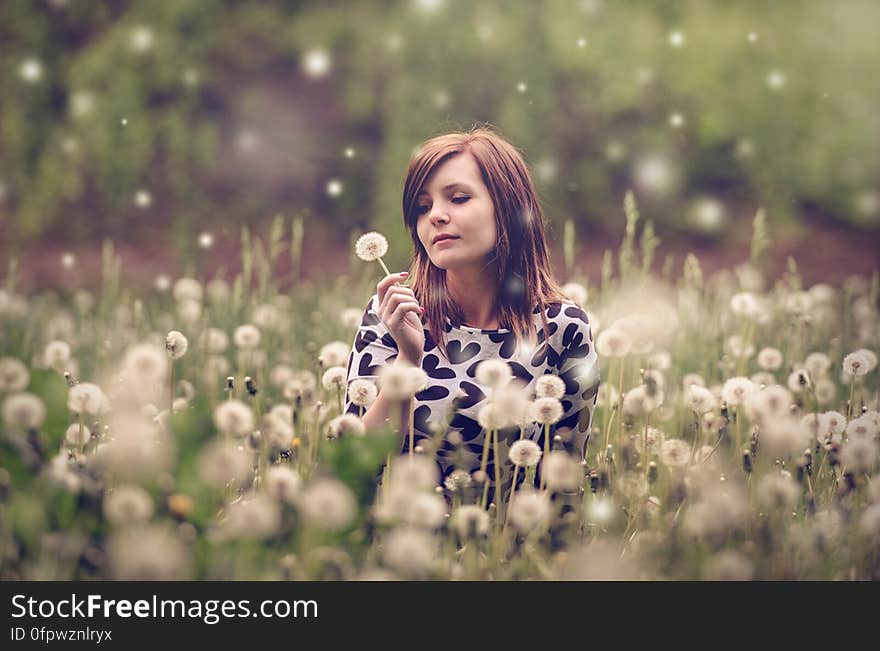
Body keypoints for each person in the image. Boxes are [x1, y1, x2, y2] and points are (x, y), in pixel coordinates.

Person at [343, 127, 599, 502]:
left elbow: (563, 481)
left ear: (509, 207)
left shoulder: (563, 329)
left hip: (505, 550)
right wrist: (408, 359)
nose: (436, 217)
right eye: (422, 207)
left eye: (459, 198)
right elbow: (353, 463)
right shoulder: (394, 314)